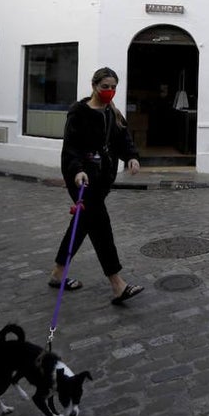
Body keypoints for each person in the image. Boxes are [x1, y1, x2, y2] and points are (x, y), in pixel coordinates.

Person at [49, 66, 145, 306]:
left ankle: (58, 273)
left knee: (81, 225)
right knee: (101, 226)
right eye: (105, 87)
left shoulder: (112, 112)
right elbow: (71, 148)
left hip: (101, 181)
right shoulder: (78, 113)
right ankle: (117, 284)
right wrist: (77, 170)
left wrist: (131, 156)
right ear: (94, 86)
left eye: (113, 87)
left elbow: (122, 139)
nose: (110, 91)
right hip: (82, 179)